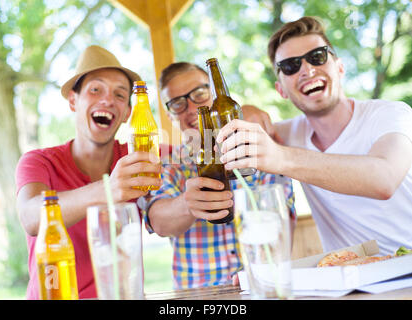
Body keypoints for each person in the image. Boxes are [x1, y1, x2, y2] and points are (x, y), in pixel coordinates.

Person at [216, 16, 412, 256]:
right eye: (290, 66)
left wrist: (281, 157)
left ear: (340, 67)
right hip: (349, 280)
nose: (307, 70)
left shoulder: (390, 114)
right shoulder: (287, 134)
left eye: (317, 56)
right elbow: (245, 127)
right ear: (281, 90)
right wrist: (247, 111)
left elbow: (384, 178)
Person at [15, 45, 162, 299]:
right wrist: (109, 190)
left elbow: (188, 152)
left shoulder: (137, 155)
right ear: (74, 100)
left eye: (119, 94)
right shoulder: (39, 161)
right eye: (95, 90)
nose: (107, 100)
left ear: (128, 112)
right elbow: (31, 217)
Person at [139, 62, 296, 289]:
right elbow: (158, 221)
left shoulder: (258, 148)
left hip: (263, 284)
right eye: (177, 103)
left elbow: (283, 218)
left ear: (215, 94)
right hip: (199, 296)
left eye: (199, 94)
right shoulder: (169, 164)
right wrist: (187, 204)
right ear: (169, 114)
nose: (191, 108)